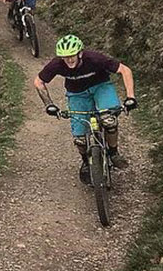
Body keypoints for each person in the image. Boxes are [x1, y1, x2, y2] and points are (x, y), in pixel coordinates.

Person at [35, 34, 138, 184]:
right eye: (65, 57)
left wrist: (131, 97)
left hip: (101, 87)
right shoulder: (57, 65)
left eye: (72, 56)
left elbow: (125, 70)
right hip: (77, 94)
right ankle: (85, 161)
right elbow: (39, 81)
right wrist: (48, 104)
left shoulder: (95, 59)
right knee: (80, 139)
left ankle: (114, 152)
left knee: (109, 120)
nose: (69, 60)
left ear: (80, 53)